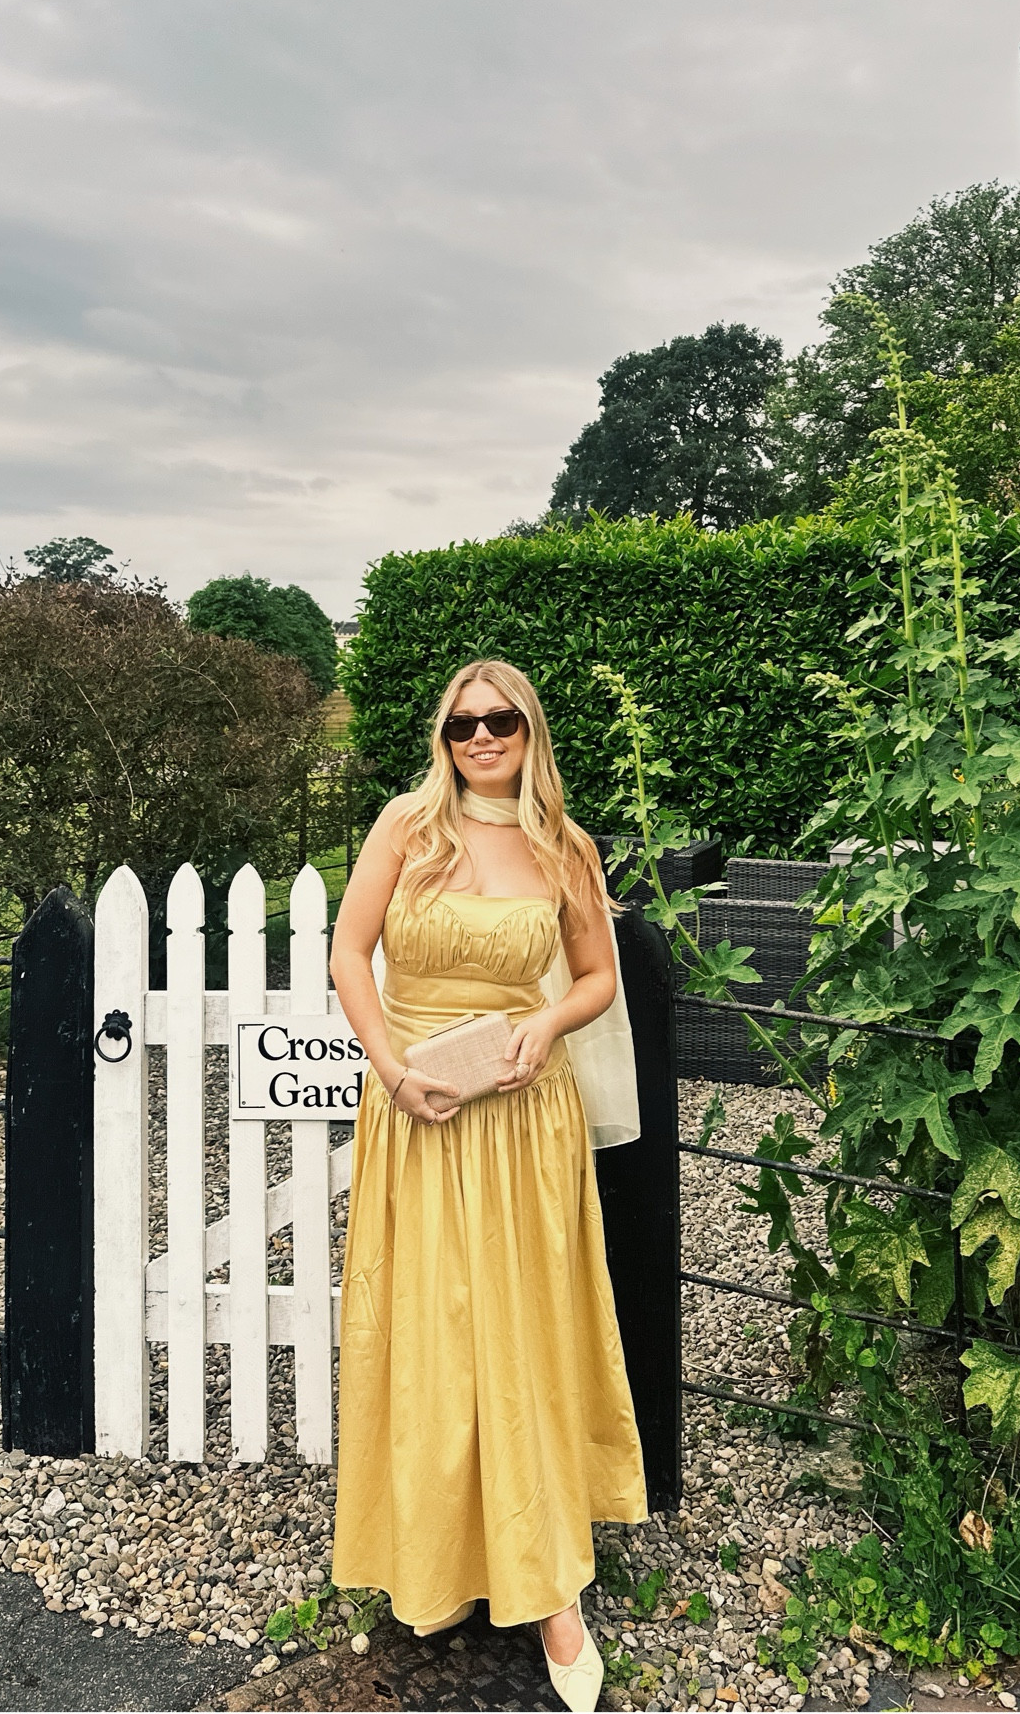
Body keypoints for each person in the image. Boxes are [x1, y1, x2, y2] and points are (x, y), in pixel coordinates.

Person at [329, 658, 647, 1712]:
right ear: (443, 737)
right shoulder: (406, 828)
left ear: (528, 730)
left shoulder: (564, 845)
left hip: (520, 1120)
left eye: (500, 720)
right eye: (462, 724)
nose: (481, 737)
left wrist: (545, 1023)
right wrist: (390, 1069)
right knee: (428, 1331)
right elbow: (348, 955)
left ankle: (550, 1586)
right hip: (417, 1112)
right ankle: (437, 1560)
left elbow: (597, 977)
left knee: (520, 1335)